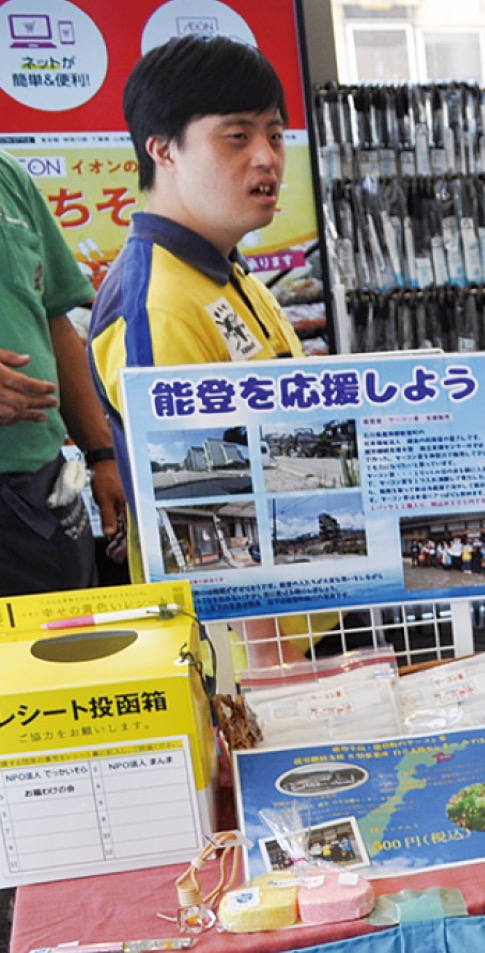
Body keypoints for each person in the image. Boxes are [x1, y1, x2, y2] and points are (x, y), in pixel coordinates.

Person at [88, 35, 308, 665]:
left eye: (275, 133)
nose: (267, 157)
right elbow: (200, 506)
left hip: (293, 622)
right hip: (239, 660)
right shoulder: (156, 302)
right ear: (163, 150)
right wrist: (271, 665)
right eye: (236, 136)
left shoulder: (225, 271)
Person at [0, 148, 124, 597]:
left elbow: (54, 320)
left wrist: (103, 455)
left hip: (40, 484)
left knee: (70, 652)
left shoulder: (7, 174)